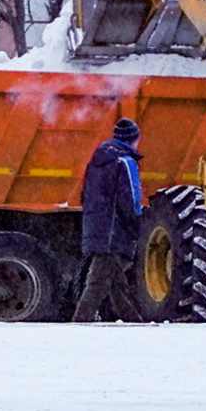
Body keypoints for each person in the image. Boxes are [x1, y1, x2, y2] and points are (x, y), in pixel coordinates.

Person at [74, 118, 146, 322]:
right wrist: (136, 226)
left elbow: (84, 196)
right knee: (98, 282)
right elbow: (131, 199)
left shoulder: (97, 160)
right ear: (134, 139)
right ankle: (80, 321)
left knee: (115, 282)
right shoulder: (125, 161)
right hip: (114, 231)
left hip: (96, 227)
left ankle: (134, 321)